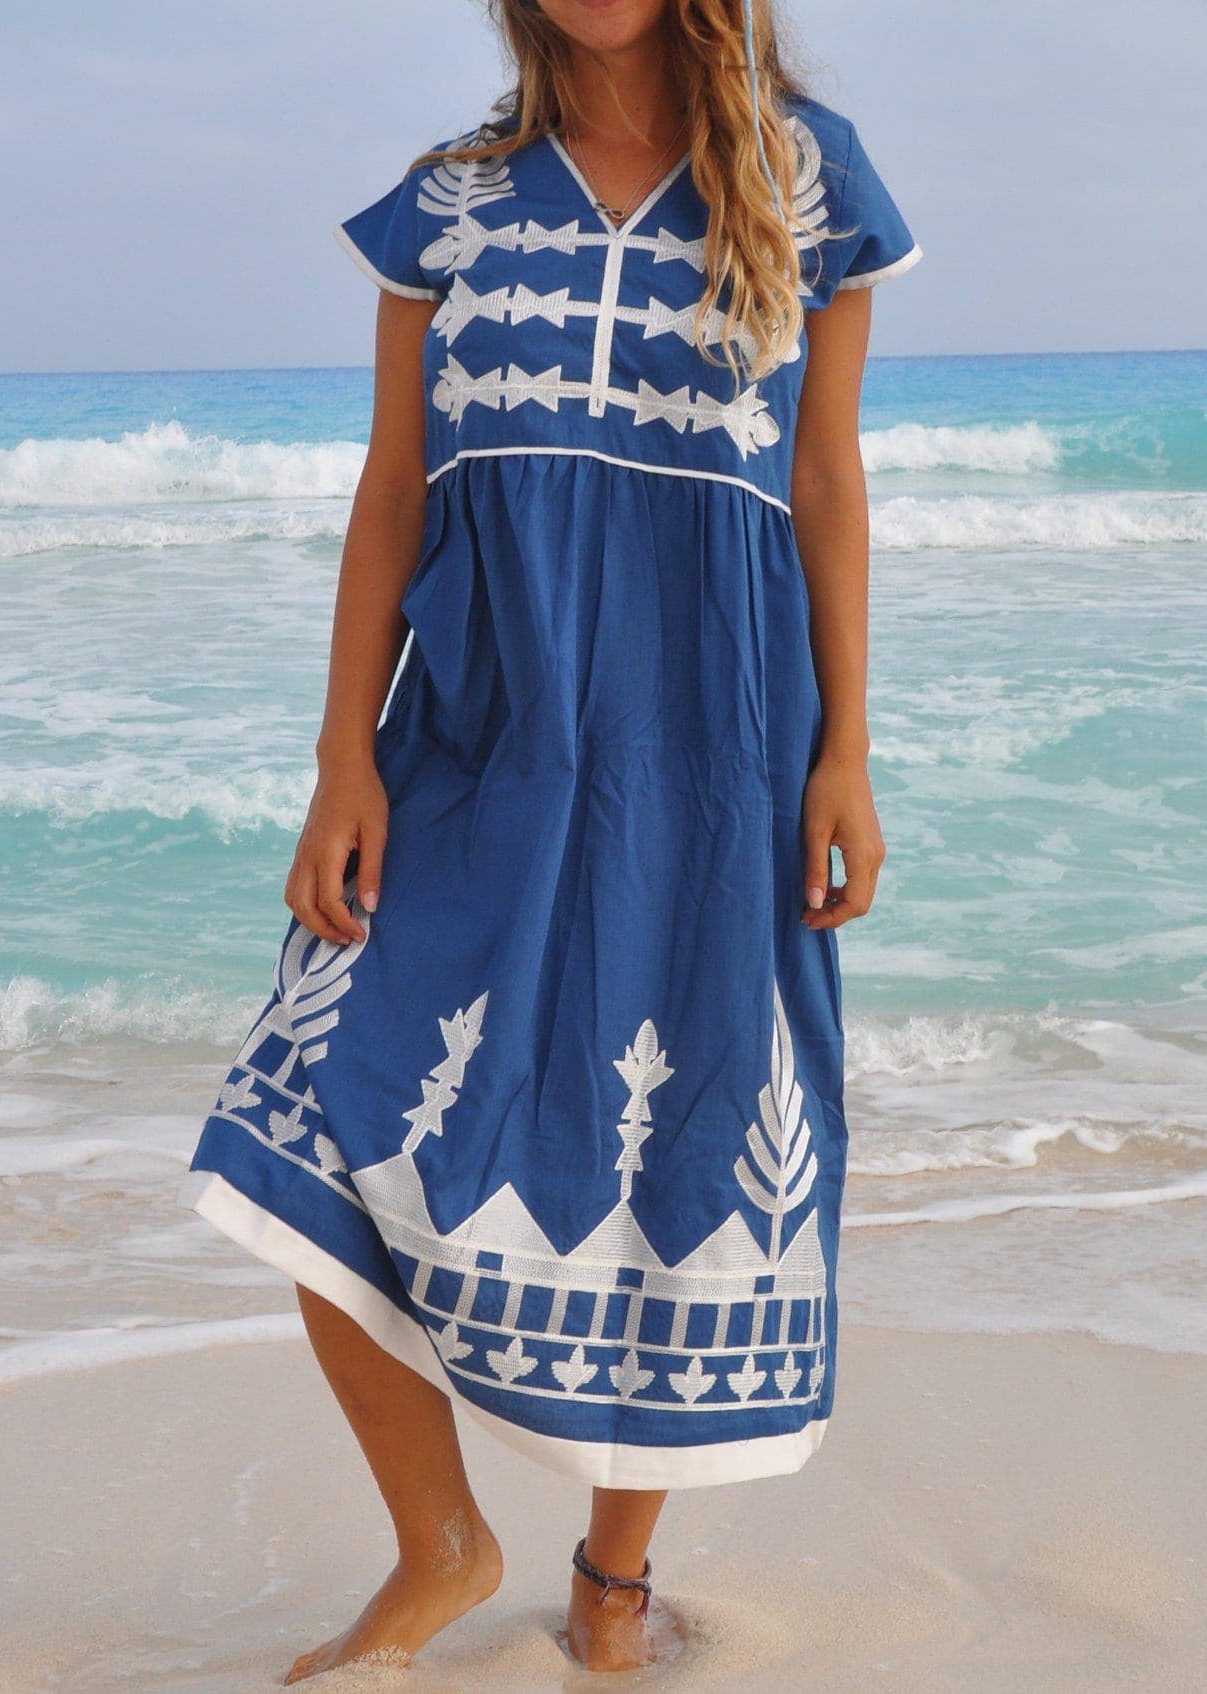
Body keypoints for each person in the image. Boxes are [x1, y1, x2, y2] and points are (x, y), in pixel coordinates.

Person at [177, 0, 916, 1677]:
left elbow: (825, 482)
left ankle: (613, 1582)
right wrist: (342, 757)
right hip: (480, 732)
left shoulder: (806, 177)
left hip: (717, 748)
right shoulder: (451, 199)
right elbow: (394, 489)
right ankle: (440, 1541)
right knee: (310, 1093)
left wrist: (848, 752)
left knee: (681, 1146)